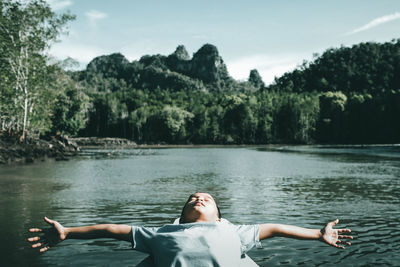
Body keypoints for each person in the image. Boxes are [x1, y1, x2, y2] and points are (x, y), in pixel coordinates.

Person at [28, 192, 353, 266]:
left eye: (206, 198)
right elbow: (113, 229)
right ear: (181, 217)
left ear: (218, 216)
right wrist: (69, 232)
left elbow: (275, 228)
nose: (198, 198)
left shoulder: (231, 231)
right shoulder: (161, 233)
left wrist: (317, 234)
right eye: (192, 199)